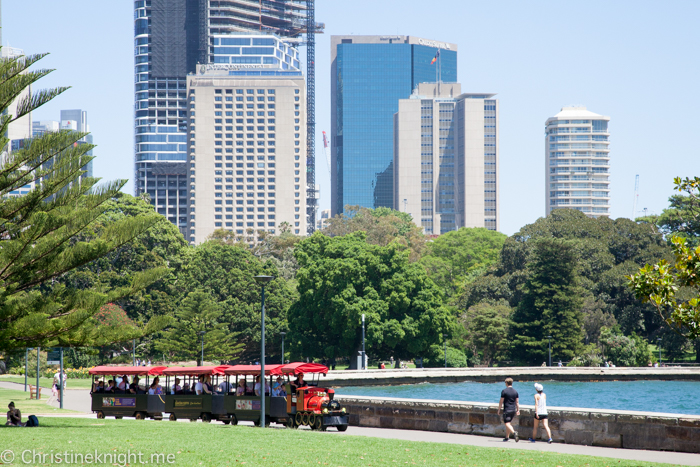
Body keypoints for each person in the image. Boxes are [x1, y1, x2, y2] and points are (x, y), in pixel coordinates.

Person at [497, 377, 520, 442]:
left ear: (506, 383)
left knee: (506, 423)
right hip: (513, 410)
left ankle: (514, 433)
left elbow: (501, 401)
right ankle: (507, 437)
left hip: (507, 409)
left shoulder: (504, 391)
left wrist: (499, 409)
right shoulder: (515, 391)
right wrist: (518, 410)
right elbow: (517, 402)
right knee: (508, 423)